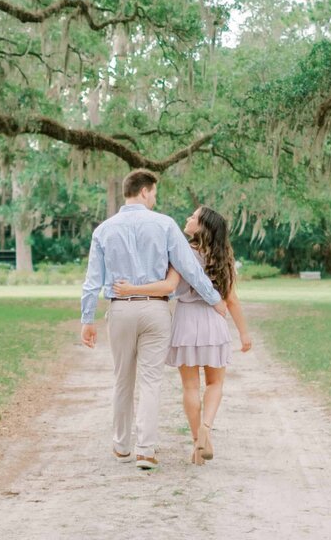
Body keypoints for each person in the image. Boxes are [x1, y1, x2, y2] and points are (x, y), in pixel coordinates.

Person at [81, 169, 228, 471]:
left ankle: (122, 446)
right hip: (156, 310)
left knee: (123, 379)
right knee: (151, 381)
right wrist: (215, 300)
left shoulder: (104, 230)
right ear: (145, 191)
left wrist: (87, 319)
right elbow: (190, 268)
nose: (154, 199)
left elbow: (92, 280)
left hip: (120, 309)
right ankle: (145, 451)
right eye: (154, 194)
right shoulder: (164, 224)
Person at [112, 205, 252, 466]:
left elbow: (168, 286)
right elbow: (232, 300)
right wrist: (244, 334)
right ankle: (206, 430)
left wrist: (132, 288)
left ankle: (197, 443)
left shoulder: (183, 253)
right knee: (215, 384)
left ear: (202, 227)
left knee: (190, 387)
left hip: (186, 321)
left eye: (194, 217)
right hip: (213, 321)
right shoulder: (224, 257)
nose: (188, 219)